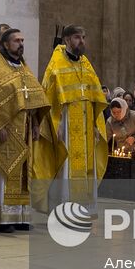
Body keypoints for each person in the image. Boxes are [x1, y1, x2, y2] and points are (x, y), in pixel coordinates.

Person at [0, 26, 49, 232]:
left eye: (23, 41)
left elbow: (34, 98)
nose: (21, 44)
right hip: (6, 130)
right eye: (17, 41)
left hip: (25, 128)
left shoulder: (23, 68)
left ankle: (21, 216)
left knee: (24, 174)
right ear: (5, 44)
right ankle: (3, 218)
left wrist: (35, 124)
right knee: (5, 173)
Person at [40, 25, 109, 207]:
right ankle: (63, 207)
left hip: (86, 126)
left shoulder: (86, 64)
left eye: (83, 37)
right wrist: (57, 124)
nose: (82, 41)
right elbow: (49, 96)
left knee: (86, 167)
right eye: (77, 37)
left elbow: (95, 98)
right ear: (67, 40)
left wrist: (96, 125)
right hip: (67, 125)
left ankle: (83, 208)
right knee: (66, 167)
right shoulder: (57, 63)